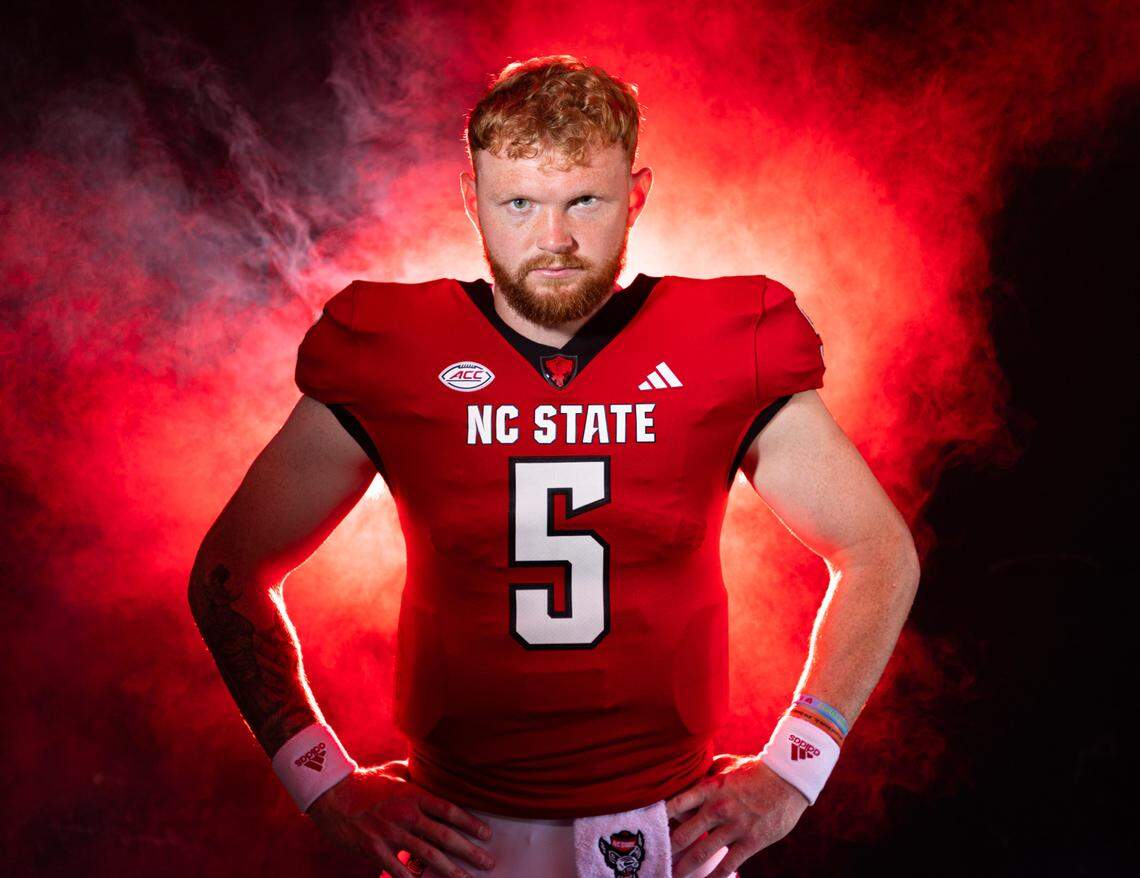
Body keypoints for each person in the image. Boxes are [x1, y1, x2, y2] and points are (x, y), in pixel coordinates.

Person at [188, 54, 920, 878]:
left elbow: (877, 553)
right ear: (472, 201)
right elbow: (230, 568)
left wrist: (796, 767)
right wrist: (320, 779)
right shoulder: (386, 347)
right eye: (519, 203)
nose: (554, 240)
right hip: (457, 841)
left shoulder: (733, 336)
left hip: (669, 834)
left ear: (635, 196)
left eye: (586, 201)